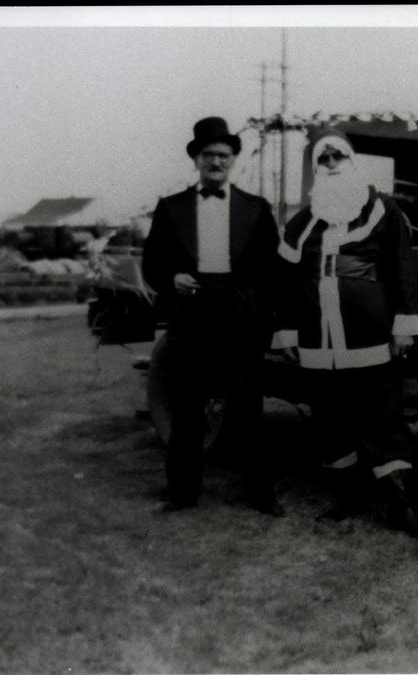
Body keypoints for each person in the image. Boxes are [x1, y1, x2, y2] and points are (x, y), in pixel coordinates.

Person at [272, 128, 418, 539]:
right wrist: (286, 330)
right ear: (316, 170)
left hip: (370, 336)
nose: (331, 165)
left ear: (351, 162)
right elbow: (285, 282)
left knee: (384, 420)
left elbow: (401, 268)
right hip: (319, 342)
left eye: (337, 157)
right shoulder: (303, 222)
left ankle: (402, 506)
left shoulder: (383, 210)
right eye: (322, 160)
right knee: (331, 420)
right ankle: (350, 496)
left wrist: (404, 326)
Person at [142, 116, 284, 515]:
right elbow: (152, 264)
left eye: (223, 155)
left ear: (233, 159)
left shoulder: (256, 208)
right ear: (196, 160)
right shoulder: (171, 208)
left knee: (248, 409)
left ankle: (260, 494)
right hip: (192, 314)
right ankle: (182, 493)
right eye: (208, 155)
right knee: (187, 406)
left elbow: (271, 271)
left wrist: (263, 319)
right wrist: (173, 278)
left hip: (241, 316)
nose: (216, 162)